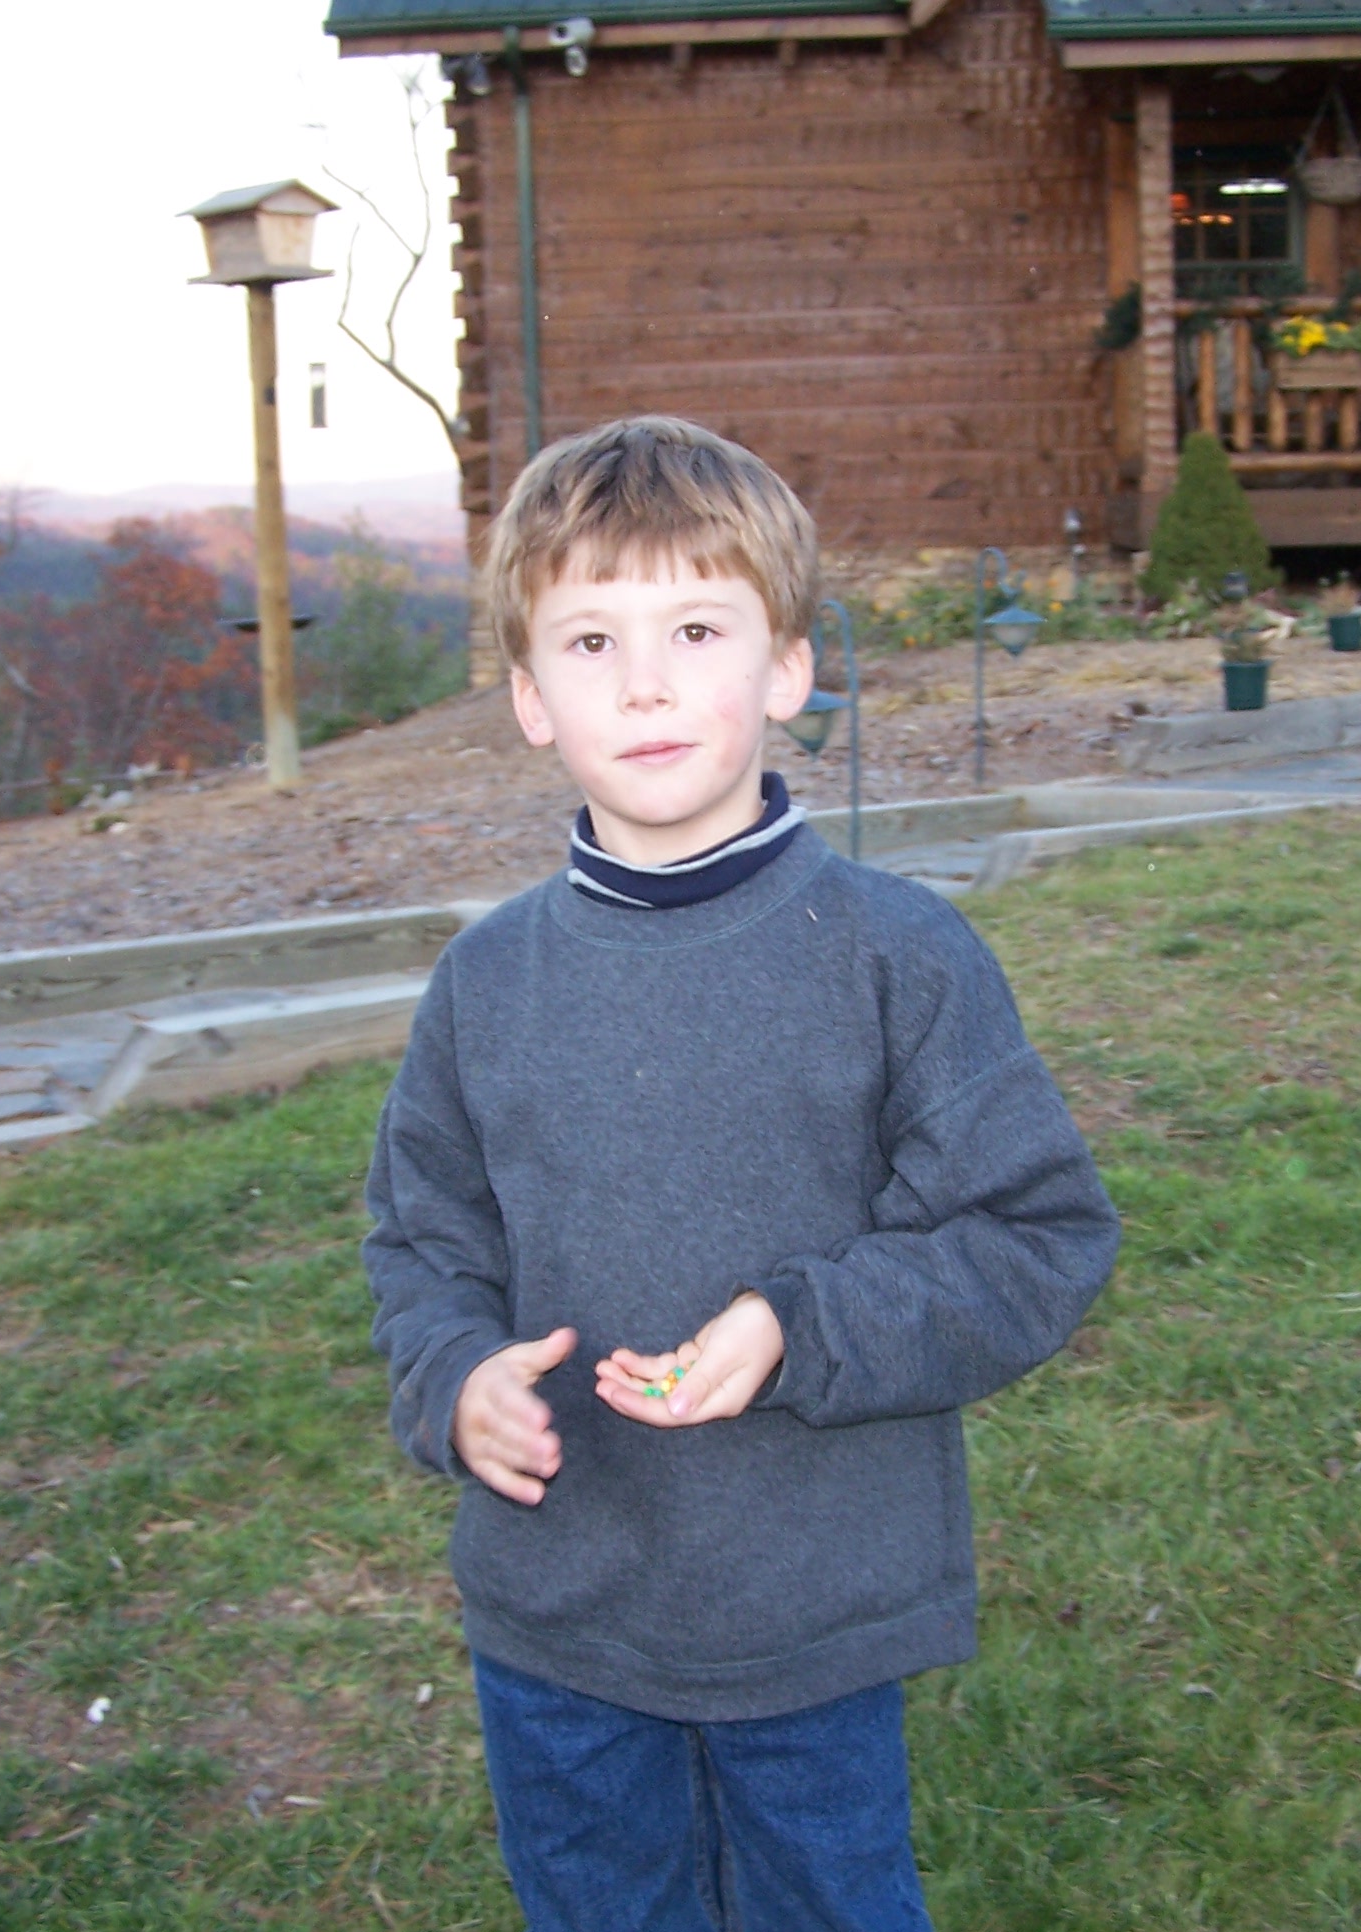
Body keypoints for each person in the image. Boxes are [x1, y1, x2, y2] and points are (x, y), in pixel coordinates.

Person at [363, 414, 1120, 1932]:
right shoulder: (486, 983)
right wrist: (452, 1377)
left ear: (786, 669)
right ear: (526, 696)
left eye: (696, 627)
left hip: (810, 1612)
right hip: (559, 1613)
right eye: (589, 640)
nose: (643, 682)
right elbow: (420, 1238)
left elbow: (1035, 1236)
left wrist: (801, 1324)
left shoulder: (900, 957)